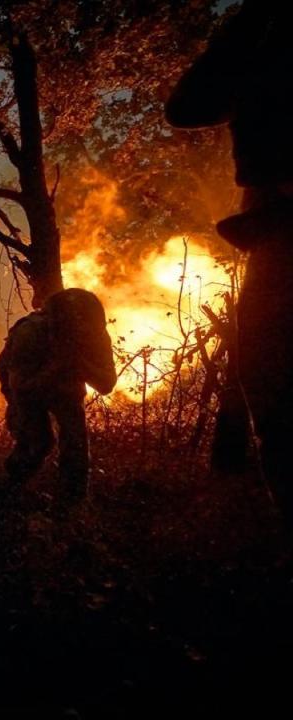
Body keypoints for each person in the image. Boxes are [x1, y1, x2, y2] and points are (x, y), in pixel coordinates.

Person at [166, 2, 293, 515]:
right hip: (274, 227)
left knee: (274, 382)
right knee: (269, 381)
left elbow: (191, 104)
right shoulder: (268, 35)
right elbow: (188, 107)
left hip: (279, 230)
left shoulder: (264, 38)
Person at [0, 288, 116, 502]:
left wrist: (77, 361)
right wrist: (56, 368)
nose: (81, 332)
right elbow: (21, 387)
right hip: (26, 378)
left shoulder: (95, 332)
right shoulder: (30, 332)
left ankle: (72, 502)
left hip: (66, 382)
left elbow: (106, 384)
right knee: (40, 441)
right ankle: (10, 489)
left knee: (76, 441)